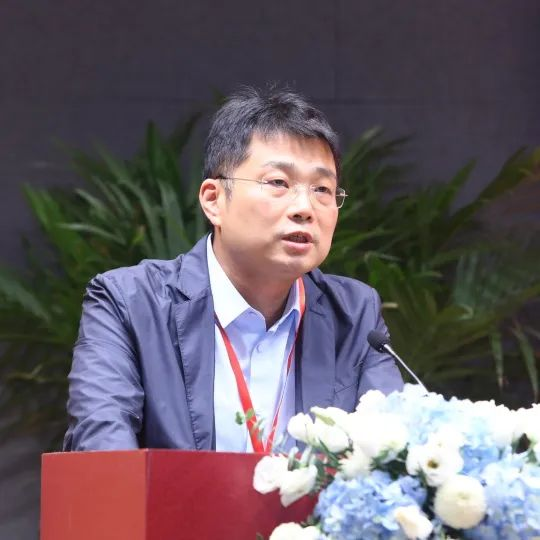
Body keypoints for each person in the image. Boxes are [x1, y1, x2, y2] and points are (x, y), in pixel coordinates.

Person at [63, 87, 403, 452]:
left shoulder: (354, 315)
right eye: (278, 183)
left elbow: (392, 453)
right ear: (213, 200)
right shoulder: (129, 303)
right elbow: (103, 452)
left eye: (322, 189)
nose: (305, 208)